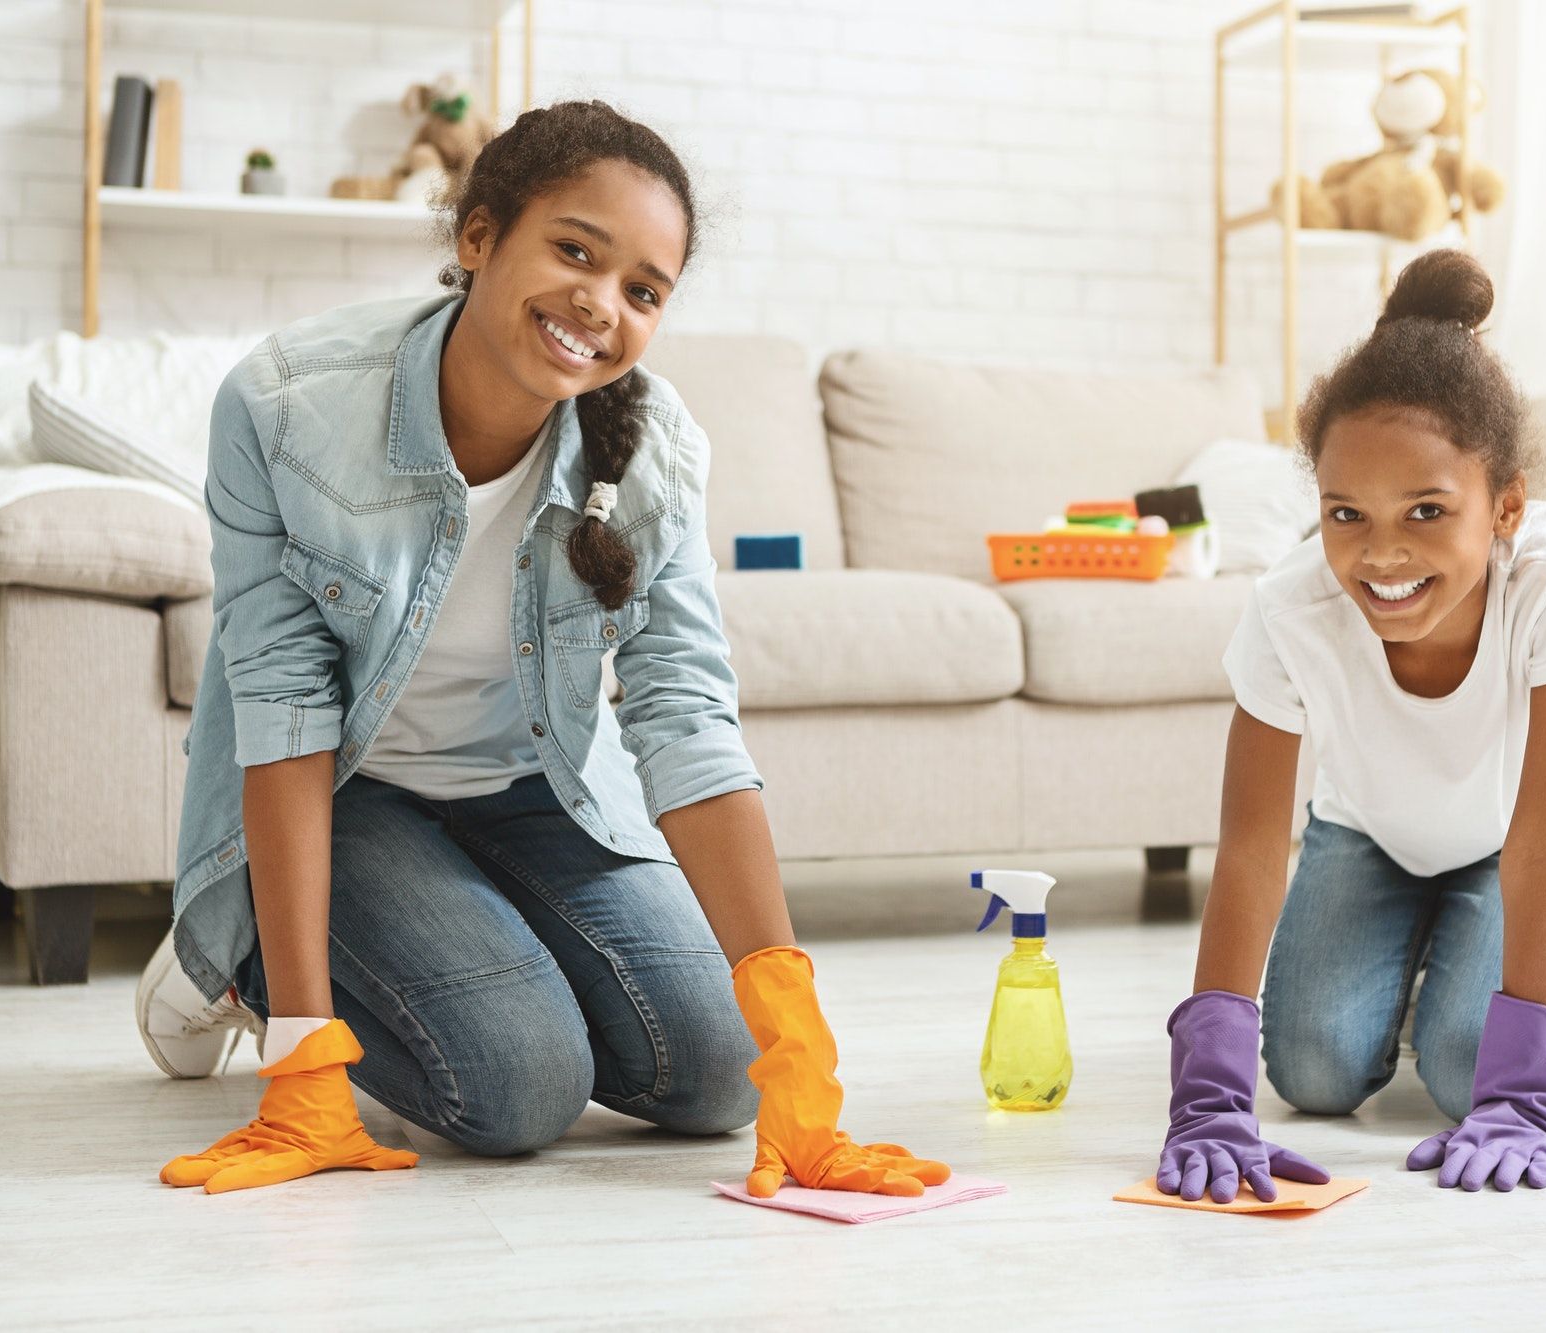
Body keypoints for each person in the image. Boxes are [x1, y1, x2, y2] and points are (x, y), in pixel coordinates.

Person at [137, 100, 947, 1199]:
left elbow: (684, 716)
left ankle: (451, 936)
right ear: (478, 239)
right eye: (574, 250)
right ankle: (244, 963)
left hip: (535, 790)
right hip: (346, 792)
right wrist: (303, 1058)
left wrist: (797, 1047)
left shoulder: (656, 453)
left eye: (641, 290)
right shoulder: (285, 407)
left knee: (720, 1075)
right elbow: (281, 704)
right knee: (517, 1090)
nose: (597, 304)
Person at [1155, 249, 1546, 1199]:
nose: (1382, 553)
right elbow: (1254, 843)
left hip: (1529, 838)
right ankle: (1440, 943)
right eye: (1346, 513)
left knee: (1469, 1075)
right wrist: (1211, 1090)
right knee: (1313, 1071)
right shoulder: (1290, 608)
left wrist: (1528, 1088)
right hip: (1374, 829)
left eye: (1427, 511)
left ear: (1504, 507)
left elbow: (1543, 837)